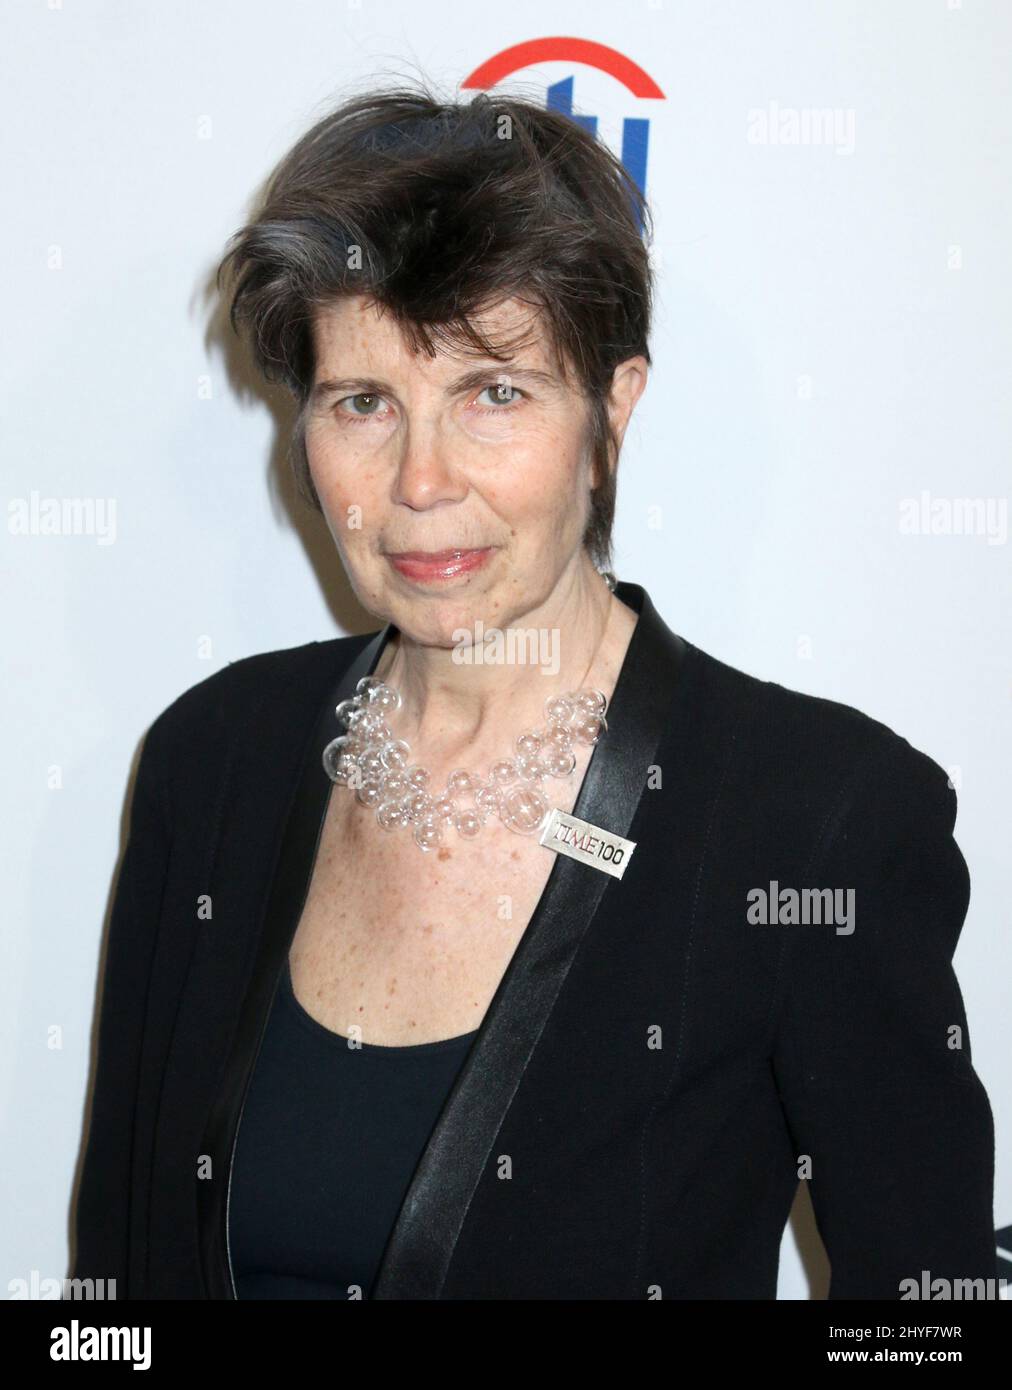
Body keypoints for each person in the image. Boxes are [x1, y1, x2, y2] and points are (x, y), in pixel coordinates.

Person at [71, 82, 996, 1301]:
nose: (419, 480)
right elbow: (116, 1295)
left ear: (612, 409)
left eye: (492, 393)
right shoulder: (215, 758)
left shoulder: (815, 816)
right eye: (363, 403)